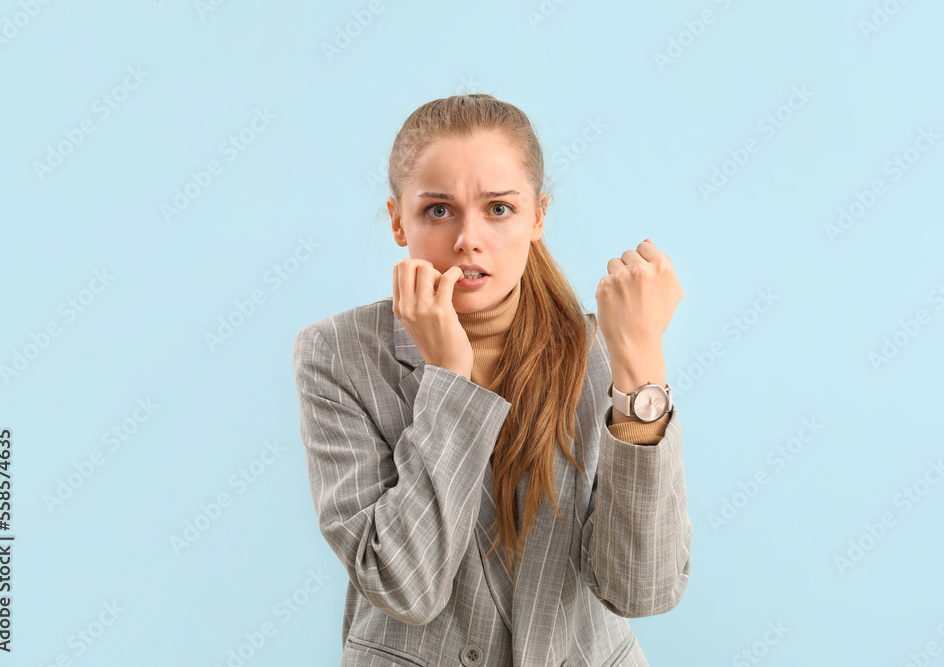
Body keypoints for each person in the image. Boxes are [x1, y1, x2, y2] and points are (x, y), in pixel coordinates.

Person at [291, 93, 691, 666]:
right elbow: (405, 586)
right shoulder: (338, 354)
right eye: (438, 210)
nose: (467, 240)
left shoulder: (600, 347)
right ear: (397, 220)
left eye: (498, 209)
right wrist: (450, 381)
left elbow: (641, 589)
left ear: (538, 217)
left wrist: (642, 369)